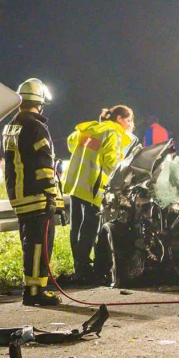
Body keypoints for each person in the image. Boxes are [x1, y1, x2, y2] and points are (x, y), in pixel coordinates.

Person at [3, 78, 64, 307]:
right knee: (40, 244)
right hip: (37, 195)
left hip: (19, 195)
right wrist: (51, 195)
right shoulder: (36, 127)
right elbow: (44, 164)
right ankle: (36, 291)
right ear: (40, 102)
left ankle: (31, 287)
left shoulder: (12, 125)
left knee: (29, 243)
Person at [63, 105, 135, 285]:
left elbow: (72, 143)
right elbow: (112, 162)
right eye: (129, 120)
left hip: (76, 185)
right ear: (119, 119)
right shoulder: (113, 132)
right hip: (93, 187)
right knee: (89, 230)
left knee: (76, 229)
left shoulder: (91, 129)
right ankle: (86, 271)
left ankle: (79, 268)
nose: (130, 124)